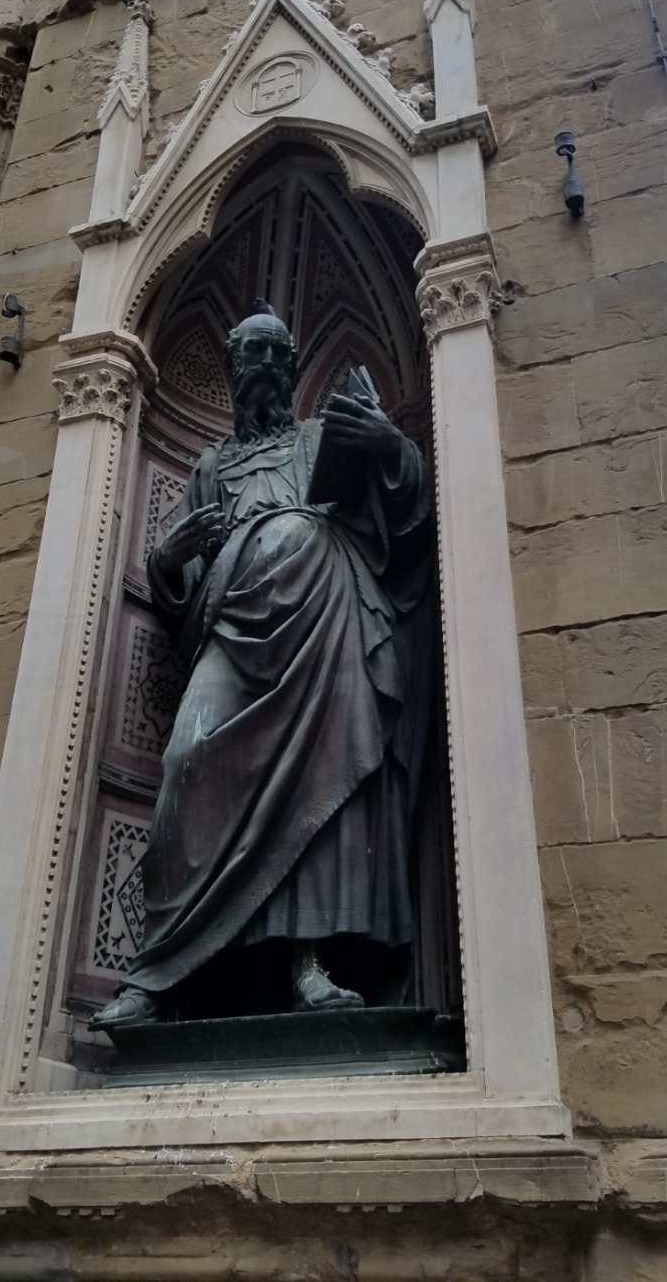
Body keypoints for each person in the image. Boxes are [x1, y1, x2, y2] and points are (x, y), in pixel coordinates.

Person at [90, 301, 433, 1029]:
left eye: (279, 354)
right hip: (234, 624)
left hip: (325, 614)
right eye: (254, 353)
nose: (267, 366)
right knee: (186, 764)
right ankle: (160, 973)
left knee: (324, 778)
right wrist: (168, 558)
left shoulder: (317, 437)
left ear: (295, 367)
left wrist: (387, 444)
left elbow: (404, 512)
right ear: (233, 368)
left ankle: (309, 966)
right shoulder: (210, 467)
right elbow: (178, 585)